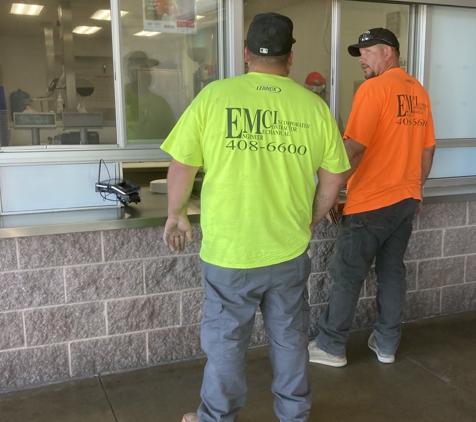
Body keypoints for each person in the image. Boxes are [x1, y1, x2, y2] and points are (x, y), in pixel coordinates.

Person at [160, 12, 350, 422]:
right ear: (291, 58)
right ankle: (294, 416)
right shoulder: (313, 107)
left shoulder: (214, 97)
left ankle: (215, 418)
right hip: (287, 251)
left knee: (226, 344)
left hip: (229, 253)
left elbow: (181, 165)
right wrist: (311, 221)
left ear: (246, 54)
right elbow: (334, 179)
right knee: (289, 339)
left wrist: (176, 214)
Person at [308, 27, 436, 367]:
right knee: (392, 271)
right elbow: (428, 150)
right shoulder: (419, 93)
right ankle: (387, 343)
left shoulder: (373, 89)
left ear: (388, 53)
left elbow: (352, 149)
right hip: (406, 201)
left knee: (347, 274)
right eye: (359, 52)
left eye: (368, 51)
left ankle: (331, 345)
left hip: (370, 203)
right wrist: (416, 190)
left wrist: (329, 190)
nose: (361, 58)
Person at [124, 50, 176, 142]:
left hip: (158, 154)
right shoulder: (122, 98)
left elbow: (174, 135)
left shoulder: (160, 103)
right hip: (130, 154)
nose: (145, 74)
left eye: (147, 70)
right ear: (130, 73)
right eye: (137, 71)